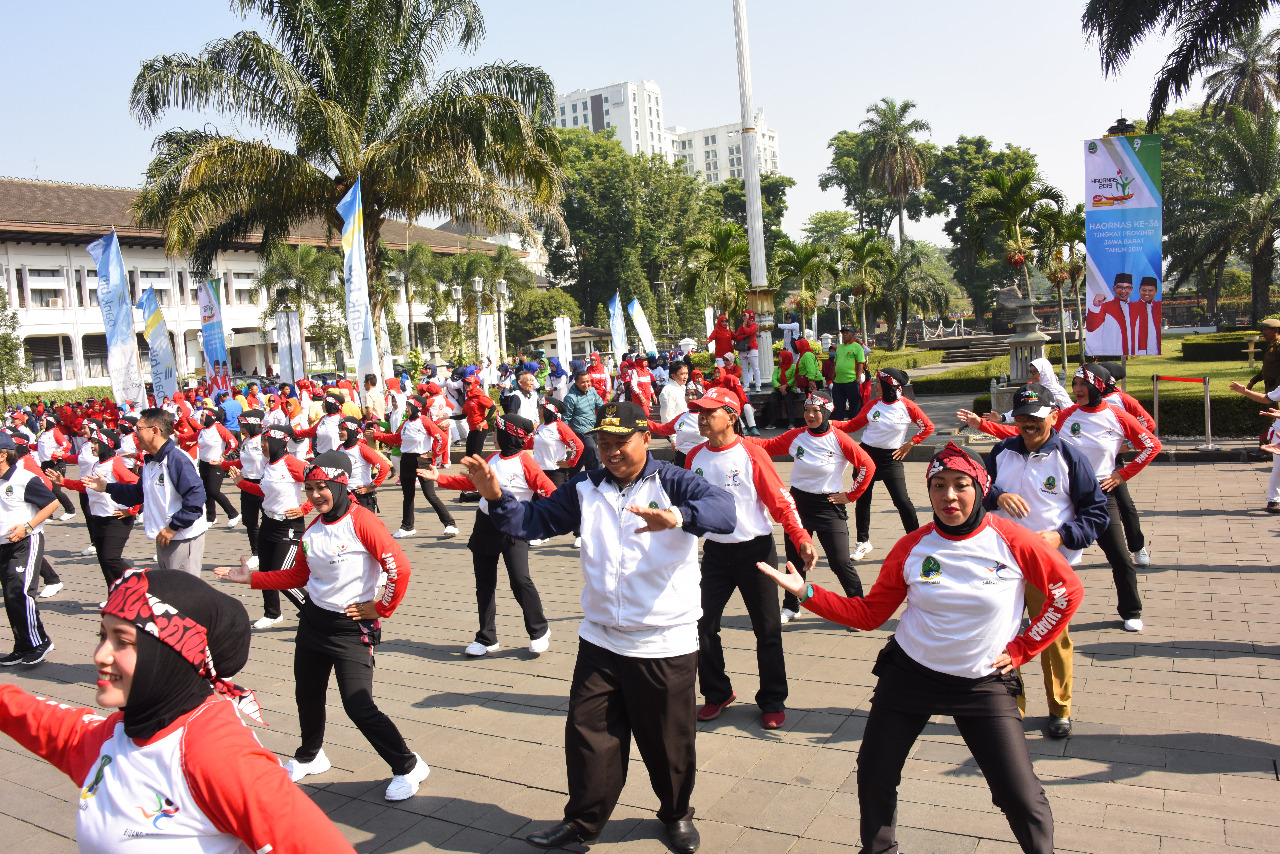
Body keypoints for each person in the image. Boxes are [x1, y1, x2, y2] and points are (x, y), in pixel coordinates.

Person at [757, 442, 1083, 854]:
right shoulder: (913, 546)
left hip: (981, 683)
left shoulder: (1014, 541)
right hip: (910, 675)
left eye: (961, 485)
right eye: (938, 485)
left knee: (1018, 794)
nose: (949, 496)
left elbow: (1066, 592)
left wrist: (1023, 648)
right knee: (874, 775)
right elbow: (869, 615)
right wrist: (807, 593)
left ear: (981, 487)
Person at [458, 401, 733, 853]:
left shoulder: (674, 480)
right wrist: (495, 498)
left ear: (646, 437)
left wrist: (679, 517)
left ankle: (676, 813)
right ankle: (584, 823)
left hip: (663, 639)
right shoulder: (585, 487)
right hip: (601, 637)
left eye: (620, 443)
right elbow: (532, 522)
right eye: (603, 444)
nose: (610, 452)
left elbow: (724, 512)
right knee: (588, 736)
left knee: (668, 743)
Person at [0, 568, 357, 853]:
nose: (100, 655)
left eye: (123, 641)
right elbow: (25, 713)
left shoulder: (217, 757)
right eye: (102, 635)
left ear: (174, 654)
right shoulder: (115, 735)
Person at [216, 451, 431, 801]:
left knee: (359, 705)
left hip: (351, 628)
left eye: (322, 488)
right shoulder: (314, 527)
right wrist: (252, 579)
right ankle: (311, 755)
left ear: (340, 485)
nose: (315, 495)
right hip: (314, 623)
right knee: (307, 693)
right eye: (310, 488)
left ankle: (408, 766)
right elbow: (299, 575)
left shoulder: (363, 521)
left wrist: (379, 608)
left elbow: (399, 569)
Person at [962, 364, 1160, 632]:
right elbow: (1022, 433)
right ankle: (1030, 613)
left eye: (1083, 384)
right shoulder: (1067, 415)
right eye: (1075, 384)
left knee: (1119, 556)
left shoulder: (1116, 415)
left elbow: (1151, 442)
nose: (1078, 389)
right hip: (1056, 493)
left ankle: (1130, 610)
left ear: (1099, 386)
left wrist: (1123, 473)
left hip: (1101, 486)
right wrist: (984, 425)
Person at [971, 384, 1109, 738]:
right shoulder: (1002, 451)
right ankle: (1009, 709)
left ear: (1052, 416)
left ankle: (1059, 708)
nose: (1028, 424)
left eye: (1035, 417)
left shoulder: (1070, 456)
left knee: (1050, 637)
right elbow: (981, 489)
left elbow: (1096, 513)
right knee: (999, 636)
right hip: (1000, 563)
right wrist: (1000, 497)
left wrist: (1060, 536)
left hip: (1047, 566)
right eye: (1021, 418)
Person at [685, 386, 817, 730]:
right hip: (714, 554)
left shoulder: (751, 454)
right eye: (698, 412)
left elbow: (781, 502)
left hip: (755, 551)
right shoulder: (694, 457)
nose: (700, 418)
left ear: (731, 416)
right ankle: (717, 692)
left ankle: (772, 699)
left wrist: (801, 538)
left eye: (708, 412)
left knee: (768, 629)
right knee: (700, 624)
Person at [422, 414, 555, 657]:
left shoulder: (526, 461)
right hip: (484, 525)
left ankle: (539, 630)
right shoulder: (492, 459)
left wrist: (535, 519)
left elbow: (550, 492)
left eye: (497, 431)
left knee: (520, 580)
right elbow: (471, 483)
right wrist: (438, 478)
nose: (493, 435)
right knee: (484, 584)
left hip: (514, 526)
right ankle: (486, 637)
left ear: (508, 434)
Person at [747, 390, 876, 624]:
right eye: (806, 410)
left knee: (840, 561)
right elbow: (767, 445)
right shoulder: (796, 436)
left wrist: (850, 495)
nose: (809, 415)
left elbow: (867, 465)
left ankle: (859, 607)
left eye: (816, 410)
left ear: (826, 412)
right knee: (795, 559)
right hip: (798, 505)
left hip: (829, 506)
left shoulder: (839, 438)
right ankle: (791, 606)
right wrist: (738, 439)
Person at [88, 408, 210, 575]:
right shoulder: (150, 461)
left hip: (182, 536)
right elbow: (139, 493)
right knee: (170, 592)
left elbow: (196, 499)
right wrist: (107, 487)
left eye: (138, 429)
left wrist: (174, 527)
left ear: (155, 431)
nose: (134, 434)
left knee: (184, 593)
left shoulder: (176, 459)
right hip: (165, 535)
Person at [836, 368, 935, 560]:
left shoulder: (908, 406)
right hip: (866, 456)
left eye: (879, 383)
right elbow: (853, 425)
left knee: (902, 501)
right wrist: (831, 424)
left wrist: (910, 443)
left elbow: (928, 426)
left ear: (889, 385)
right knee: (863, 500)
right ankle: (863, 542)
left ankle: (916, 542)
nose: (875, 386)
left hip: (892, 459)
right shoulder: (873, 405)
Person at [225, 423, 311, 628]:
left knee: (282, 573)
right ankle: (272, 613)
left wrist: (305, 508)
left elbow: (321, 483)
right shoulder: (268, 464)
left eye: (266, 441)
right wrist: (241, 483)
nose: (262, 444)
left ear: (277, 442)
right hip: (268, 523)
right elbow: (265, 492)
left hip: (289, 526)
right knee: (265, 572)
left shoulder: (292, 463)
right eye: (262, 440)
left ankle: (312, 610)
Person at [51, 428, 140, 590]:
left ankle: (140, 581)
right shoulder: (97, 464)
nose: (92, 445)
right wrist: (63, 482)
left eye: (96, 442)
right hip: (98, 518)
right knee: (103, 561)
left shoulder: (115, 464)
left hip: (117, 519)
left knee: (111, 559)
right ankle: (114, 595)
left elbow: (137, 485)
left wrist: (132, 510)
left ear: (107, 444)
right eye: (92, 442)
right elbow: (86, 485)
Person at [0, 432, 61, 665]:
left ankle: (40, 642)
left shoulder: (24, 479)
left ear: (3, 455)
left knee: (20, 592)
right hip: (3, 544)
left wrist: (27, 527)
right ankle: (23, 645)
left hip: (25, 542)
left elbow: (52, 503)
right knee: (10, 595)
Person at [368, 395, 458, 539]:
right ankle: (407, 526)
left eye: (409, 405)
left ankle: (450, 524)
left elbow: (442, 438)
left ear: (417, 407)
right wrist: (377, 435)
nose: (406, 408)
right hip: (406, 461)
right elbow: (396, 438)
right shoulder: (406, 423)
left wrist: (433, 454)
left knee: (430, 495)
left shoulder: (425, 421)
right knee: (408, 496)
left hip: (422, 461)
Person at [530, 397, 584, 546]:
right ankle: (542, 533)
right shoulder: (540, 427)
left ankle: (580, 534)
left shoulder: (560, 427)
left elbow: (578, 446)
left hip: (556, 472)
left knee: (564, 504)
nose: (539, 411)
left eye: (541, 408)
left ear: (549, 410)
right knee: (538, 503)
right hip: (539, 472)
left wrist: (570, 463)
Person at [195, 404, 242, 527]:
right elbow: (192, 438)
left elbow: (233, 443)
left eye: (203, 415)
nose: (201, 417)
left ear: (211, 417)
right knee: (206, 492)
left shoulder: (219, 428)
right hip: (203, 464)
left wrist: (224, 456)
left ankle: (233, 514)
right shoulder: (202, 430)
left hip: (216, 464)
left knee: (214, 491)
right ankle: (210, 518)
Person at [337, 417, 392, 512]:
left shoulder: (362, 448)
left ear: (351, 430)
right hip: (344, 496)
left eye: (343, 429)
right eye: (339, 429)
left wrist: (372, 486)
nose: (339, 432)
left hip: (361, 496)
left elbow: (384, 467)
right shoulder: (340, 448)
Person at [650, 382, 705, 470]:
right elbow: (663, 429)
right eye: (687, 394)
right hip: (682, 460)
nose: (690, 398)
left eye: (693, 394)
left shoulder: (709, 416)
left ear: (701, 395)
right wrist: (643, 422)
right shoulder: (682, 416)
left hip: (703, 459)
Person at [35, 415, 76, 521]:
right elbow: (39, 447)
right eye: (40, 420)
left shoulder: (55, 432)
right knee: (46, 489)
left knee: (55, 489)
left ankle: (70, 510)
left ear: (49, 421)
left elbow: (67, 445)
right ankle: (49, 514)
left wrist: (56, 454)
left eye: (42, 420)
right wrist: (28, 446)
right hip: (45, 464)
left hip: (56, 464)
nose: (40, 422)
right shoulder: (43, 434)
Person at [564, 370, 605, 472]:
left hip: (593, 429)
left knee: (582, 458)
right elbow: (565, 419)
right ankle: (599, 478)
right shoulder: (570, 398)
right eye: (583, 382)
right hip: (580, 431)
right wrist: (565, 439)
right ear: (576, 382)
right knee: (593, 454)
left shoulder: (592, 391)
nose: (586, 384)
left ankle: (573, 478)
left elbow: (601, 406)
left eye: (588, 381)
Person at [1086, 272, 1133, 355]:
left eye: (1127, 288)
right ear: (1114, 288)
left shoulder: (1137, 308)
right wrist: (1095, 306)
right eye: (1119, 287)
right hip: (1111, 353)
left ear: (1131, 289)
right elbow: (1091, 327)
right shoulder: (1106, 307)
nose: (1123, 291)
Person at [1246, 317, 1280, 393]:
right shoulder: (1272, 345)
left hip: (1276, 389)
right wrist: (1253, 381)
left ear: (1276, 330)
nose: (1263, 332)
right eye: (1263, 329)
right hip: (1270, 387)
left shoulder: (1278, 346)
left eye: (1266, 329)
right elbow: (1268, 368)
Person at [1130, 276, 1161, 355]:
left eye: (1150, 290)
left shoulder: (1159, 307)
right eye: (1144, 290)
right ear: (1139, 290)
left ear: (1156, 291)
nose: (1147, 293)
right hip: (1139, 351)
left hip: (1157, 350)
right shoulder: (1131, 307)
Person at [734, 309, 761, 390]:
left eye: (745, 315)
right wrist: (745, 333)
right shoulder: (741, 327)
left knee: (755, 368)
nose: (743, 317)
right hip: (743, 349)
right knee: (744, 369)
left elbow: (749, 332)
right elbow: (737, 337)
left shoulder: (754, 325)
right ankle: (746, 385)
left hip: (752, 349)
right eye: (742, 315)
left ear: (749, 315)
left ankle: (758, 385)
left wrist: (745, 328)